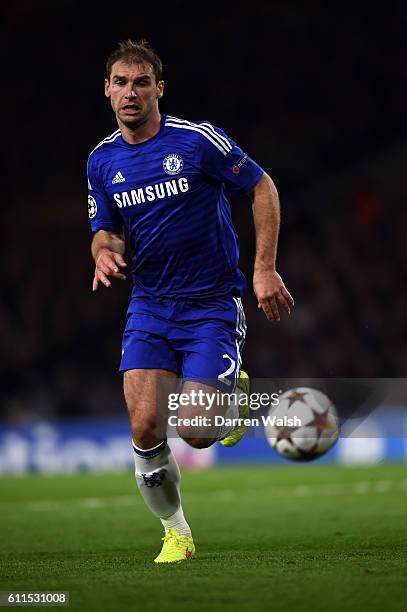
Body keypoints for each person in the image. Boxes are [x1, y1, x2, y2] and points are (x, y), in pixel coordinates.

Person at [87, 39, 294, 563]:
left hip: (211, 305)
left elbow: (262, 185)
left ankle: (233, 397)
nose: (130, 93)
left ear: (159, 88)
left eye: (140, 82)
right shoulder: (101, 161)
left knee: (198, 433)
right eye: (120, 83)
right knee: (144, 426)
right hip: (150, 306)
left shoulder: (197, 141)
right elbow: (106, 230)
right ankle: (176, 531)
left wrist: (264, 269)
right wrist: (103, 254)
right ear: (107, 91)